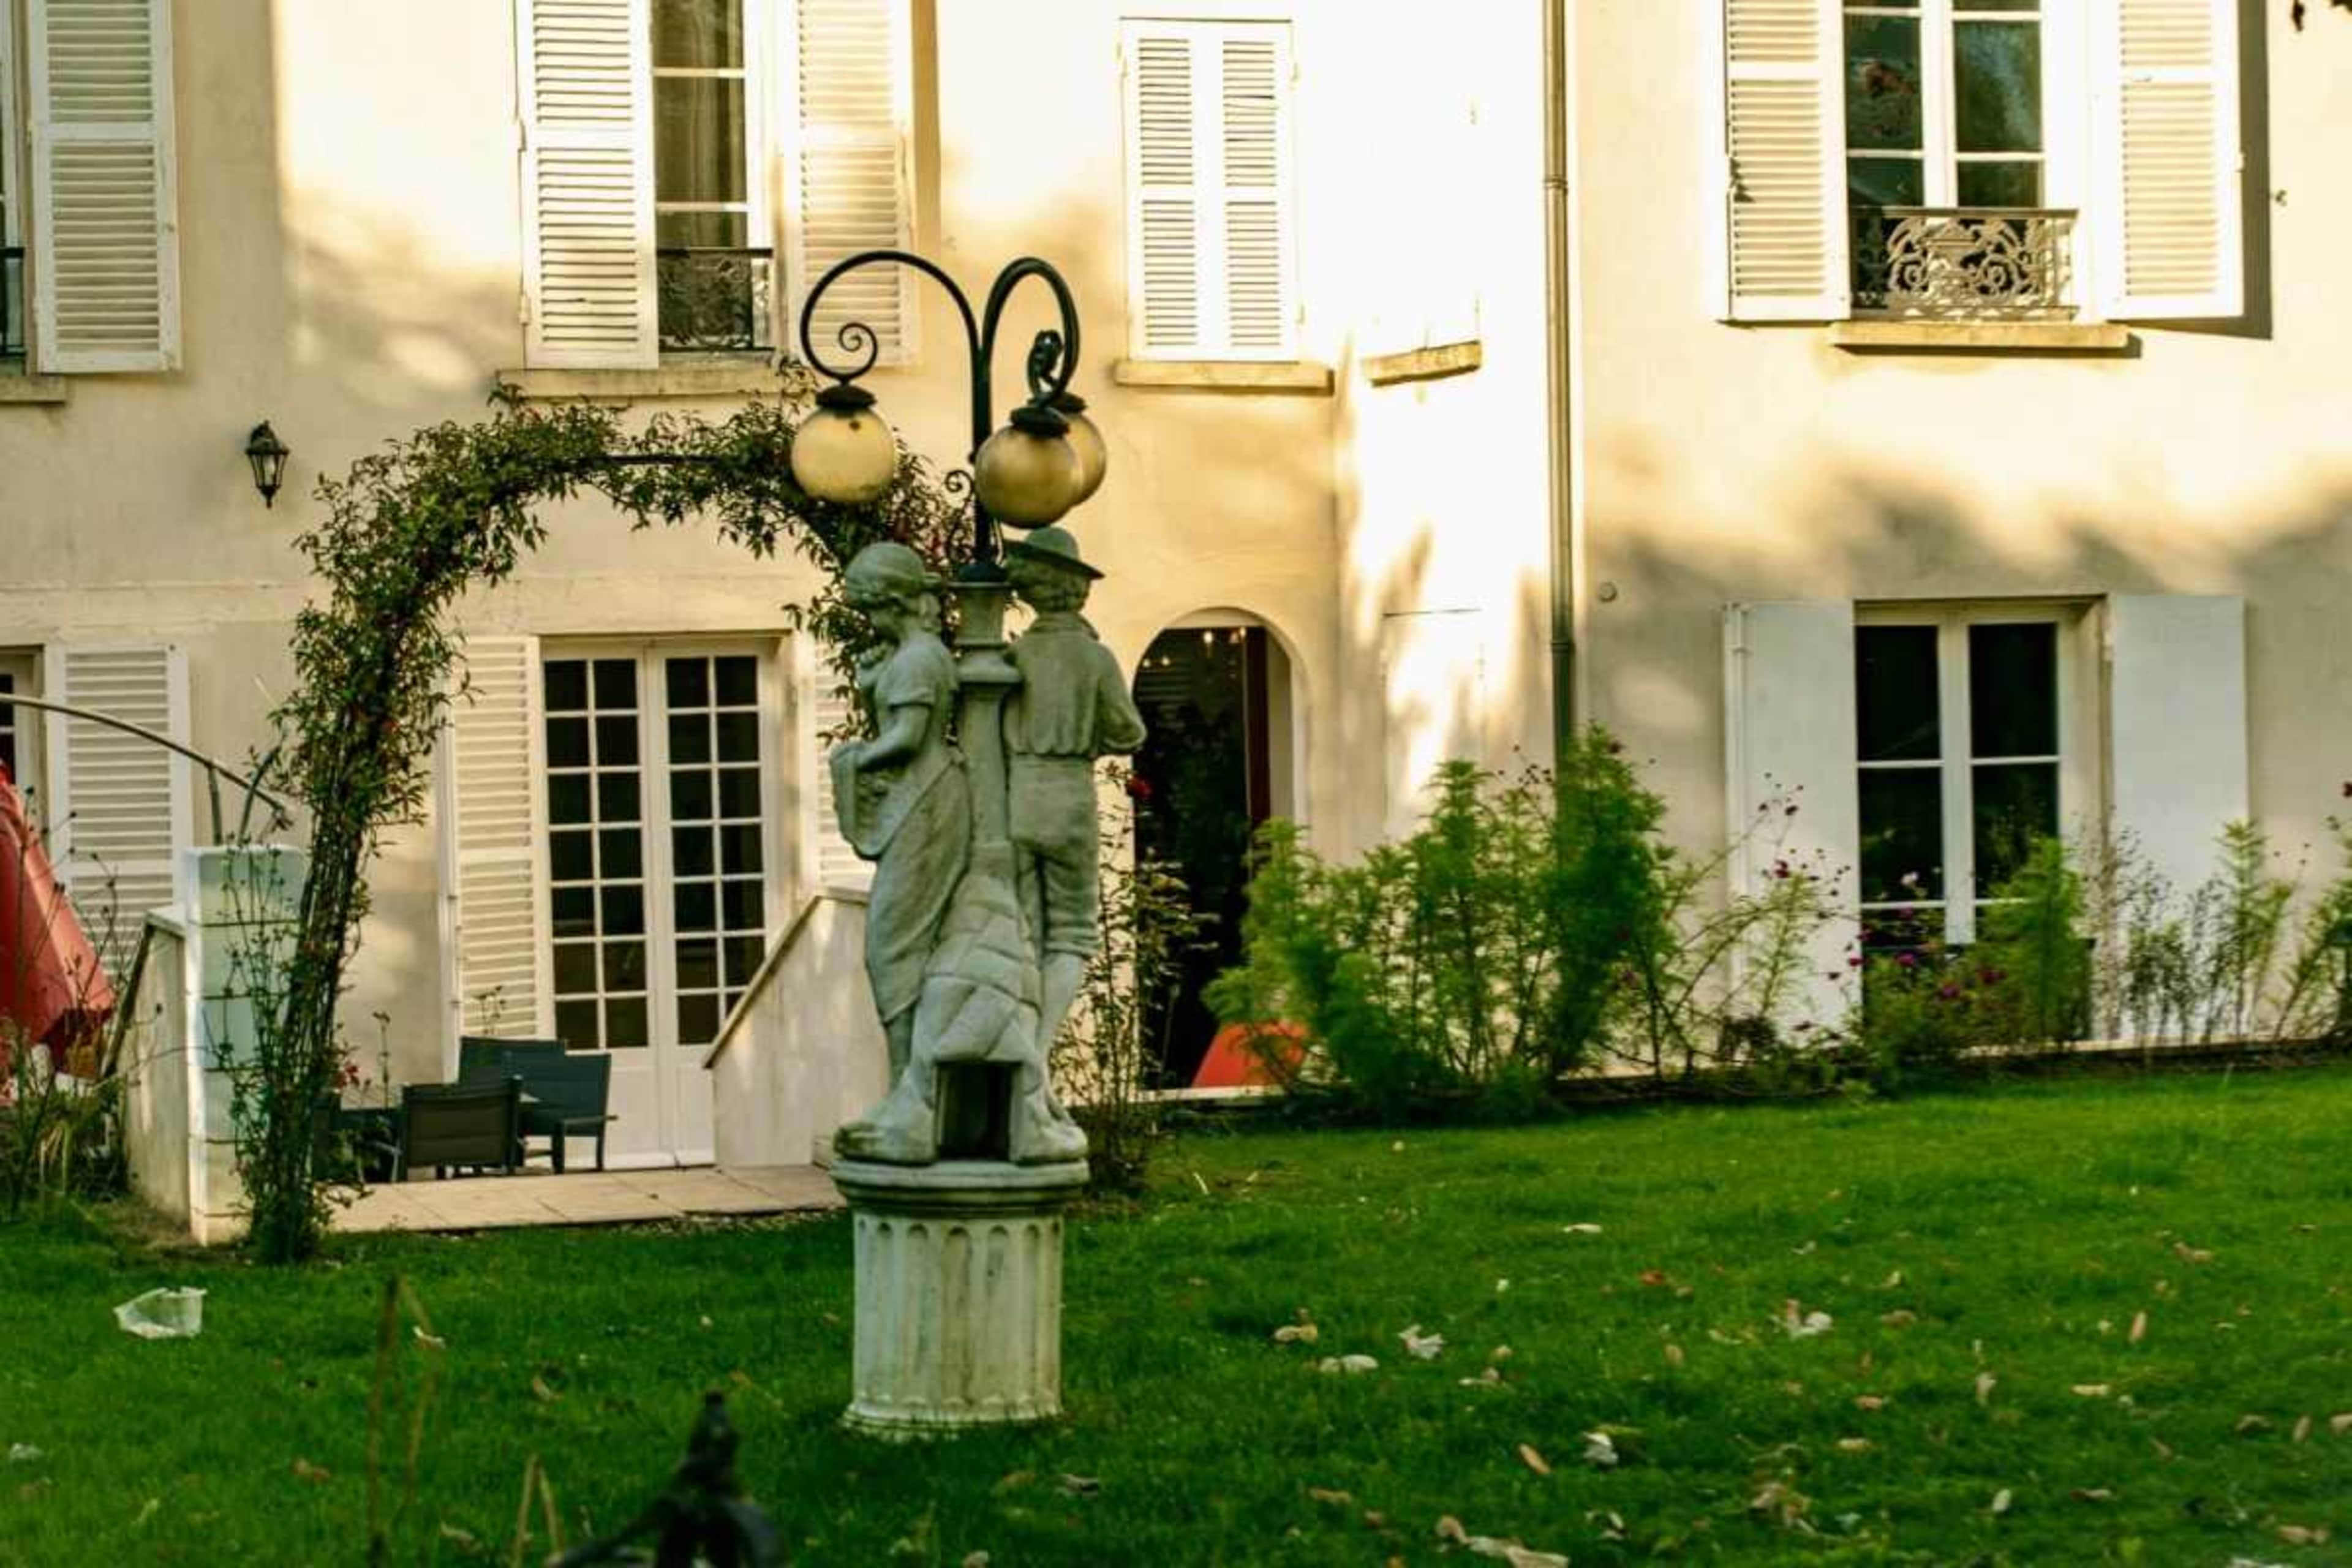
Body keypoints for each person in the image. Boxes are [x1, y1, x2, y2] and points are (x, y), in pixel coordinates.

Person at [1003, 525, 1147, 1060]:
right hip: (1068, 795)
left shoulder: (1014, 658)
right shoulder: (1095, 659)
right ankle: (1037, 1057)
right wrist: (1087, 734)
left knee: (1023, 930)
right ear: (1075, 587)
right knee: (1070, 934)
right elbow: (1129, 733)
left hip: (1019, 795)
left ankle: (1018, 1047)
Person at [828, 542, 968, 1082]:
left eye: (870, 609)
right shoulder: (912, 657)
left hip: (927, 799)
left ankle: (912, 1083)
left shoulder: (918, 659)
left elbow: (908, 738)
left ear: (892, 602)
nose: (869, 621)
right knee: (897, 944)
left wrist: (854, 756)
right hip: (920, 798)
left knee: (894, 945)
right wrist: (869, 690)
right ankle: (908, 1080)